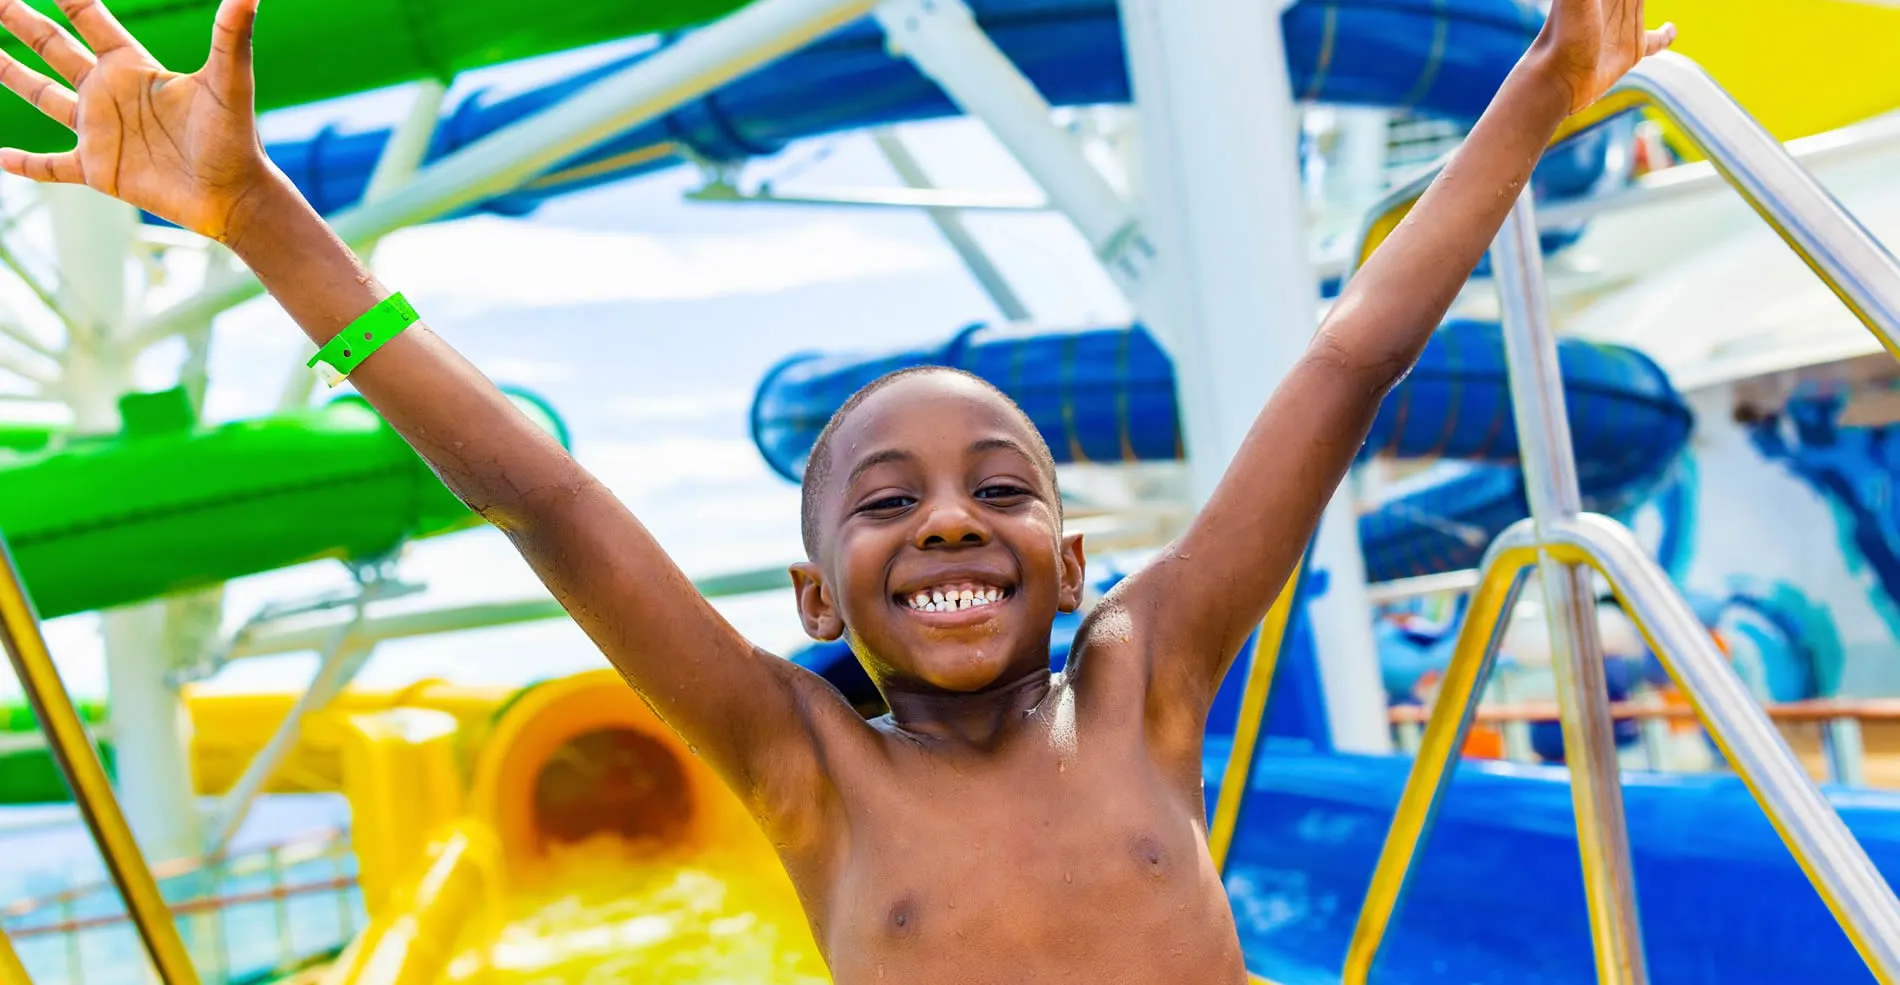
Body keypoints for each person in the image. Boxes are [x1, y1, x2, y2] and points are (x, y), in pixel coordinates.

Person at [0, 1, 1673, 980]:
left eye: (997, 487)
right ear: (813, 602)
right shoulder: (804, 765)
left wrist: (1527, 105)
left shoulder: (1144, 680)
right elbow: (551, 507)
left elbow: (1339, 367)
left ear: (1073, 558)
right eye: (884, 502)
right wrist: (264, 219)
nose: (947, 517)